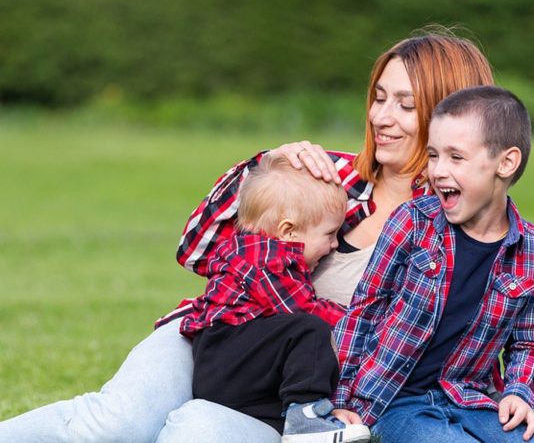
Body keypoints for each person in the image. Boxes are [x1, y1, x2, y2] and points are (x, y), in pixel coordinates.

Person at [0, 28, 495, 443]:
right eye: (379, 98)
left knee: (195, 430)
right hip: (214, 336)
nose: (381, 118)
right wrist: (263, 168)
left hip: (292, 400)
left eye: (405, 106)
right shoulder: (328, 177)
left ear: (453, 118)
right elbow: (197, 252)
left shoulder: (450, 230)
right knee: (112, 424)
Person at [332, 85, 534, 443]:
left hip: (469, 398)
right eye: (434, 155)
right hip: (394, 401)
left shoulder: (528, 251)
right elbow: (364, 310)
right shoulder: (412, 222)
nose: (438, 171)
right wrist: (343, 400)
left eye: (456, 158)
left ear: (506, 162)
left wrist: (519, 390)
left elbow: (526, 342)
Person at [181, 155, 371, 442]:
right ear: (288, 230)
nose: (334, 244)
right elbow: (303, 309)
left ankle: (296, 423)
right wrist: (360, 321)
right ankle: (306, 416)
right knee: (309, 328)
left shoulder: (261, 252)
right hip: (225, 354)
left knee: (274, 410)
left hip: (239, 369)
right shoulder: (266, 259)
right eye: (330, 234)